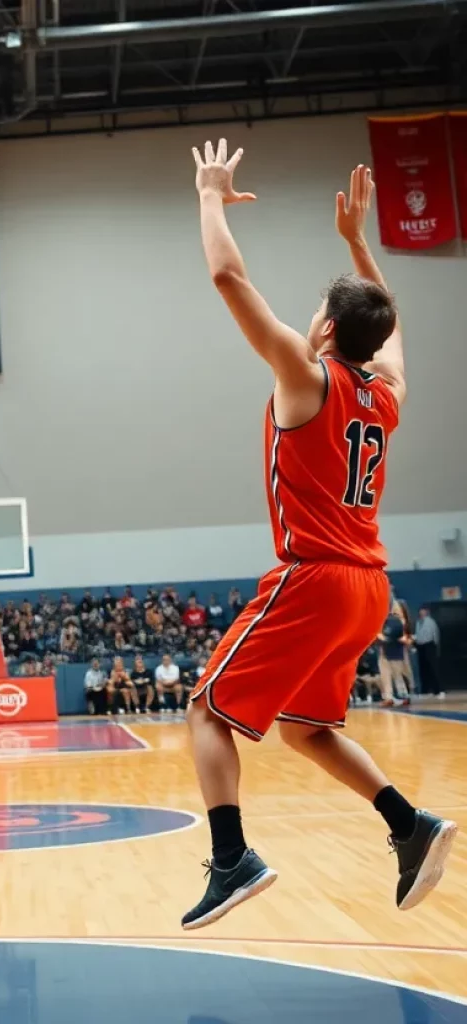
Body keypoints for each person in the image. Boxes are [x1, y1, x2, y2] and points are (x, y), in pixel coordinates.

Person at [182, 148, 456, 929]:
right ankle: (409, 826)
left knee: (206, 713)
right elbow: (389, 323)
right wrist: (358, 245)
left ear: (328, 328)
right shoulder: (387, 393)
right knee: (307, 728)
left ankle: (232, 858)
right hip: (371, 586)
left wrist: (208, 198)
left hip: (317, 575)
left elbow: (229, 281)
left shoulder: (308, 378)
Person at [377, 599, 412, 706]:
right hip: (386, 650)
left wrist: (404, 640)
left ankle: (403, 695)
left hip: (398, 651)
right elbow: (381, 633)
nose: (394, 609)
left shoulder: (403, 623)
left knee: (399, 674)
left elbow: (408, 638)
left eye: (397, 608)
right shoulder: (388, 620)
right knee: (385, 674)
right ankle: (388, 697)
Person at [413, 607, 443, 699]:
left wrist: (435, 647)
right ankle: (425, 690)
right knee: (423, 669)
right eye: (420, 611)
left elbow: (436, 635)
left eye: (423, 611)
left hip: (429, 645)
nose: (421, 612)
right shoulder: (418, 622)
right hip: (420, 646)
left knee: (432, 668)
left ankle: (437, 691)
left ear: (426, 612)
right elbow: (417, 634)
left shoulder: (431, 622)